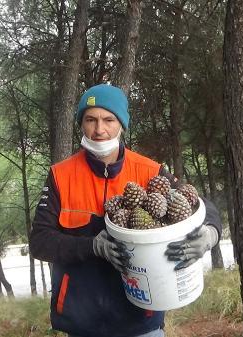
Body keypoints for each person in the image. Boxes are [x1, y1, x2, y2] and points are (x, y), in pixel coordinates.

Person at [29, 84, 222, 337]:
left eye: (108, 119)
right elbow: (40, 242)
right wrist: (92, 247)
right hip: (82, 322)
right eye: (91, 120)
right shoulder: (60, 175)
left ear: (121, 123)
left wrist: (209, 235)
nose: (99, 129)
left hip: (141, 319)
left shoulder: (149, 171)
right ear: (81, 124)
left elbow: (198, 204)